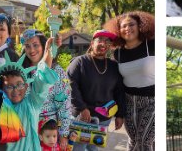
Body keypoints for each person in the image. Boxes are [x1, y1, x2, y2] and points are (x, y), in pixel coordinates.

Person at [65, 30, 124, 151]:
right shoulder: (79, 62)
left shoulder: (114, 66)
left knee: (93, 148)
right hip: (82, 117)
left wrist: (120, 115)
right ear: (92, 43)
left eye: (107, 41)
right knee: (77, 148)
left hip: (104, 119)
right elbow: (70, 85)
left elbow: (119, 91)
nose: (103, 44)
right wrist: (82, 108)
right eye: (100, 40)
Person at [0, 37, 59, 151]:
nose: (15, 90)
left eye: (19, 85)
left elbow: (41, 79)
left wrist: (48, 51)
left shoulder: (32, 103)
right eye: (9, 86)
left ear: (26, 86)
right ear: (2, 88)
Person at [108, 12, 155, 150]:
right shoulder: (118, 53)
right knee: (133, 141)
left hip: (152, 100)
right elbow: (117, 82)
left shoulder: (152, 45)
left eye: (131, 24)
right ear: (118, 30)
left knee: (144, 141)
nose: (127, 28)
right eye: (123, 26)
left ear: (140, 26)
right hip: (129, 102)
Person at [17, 30, 73, 143]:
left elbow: (64, 105)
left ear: (44, 46)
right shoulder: (19, 71)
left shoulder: (57, 71)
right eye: (27, 46)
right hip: (25, 131)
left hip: (49, 132)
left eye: (35, 45)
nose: (32, 50)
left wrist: (64, 133)